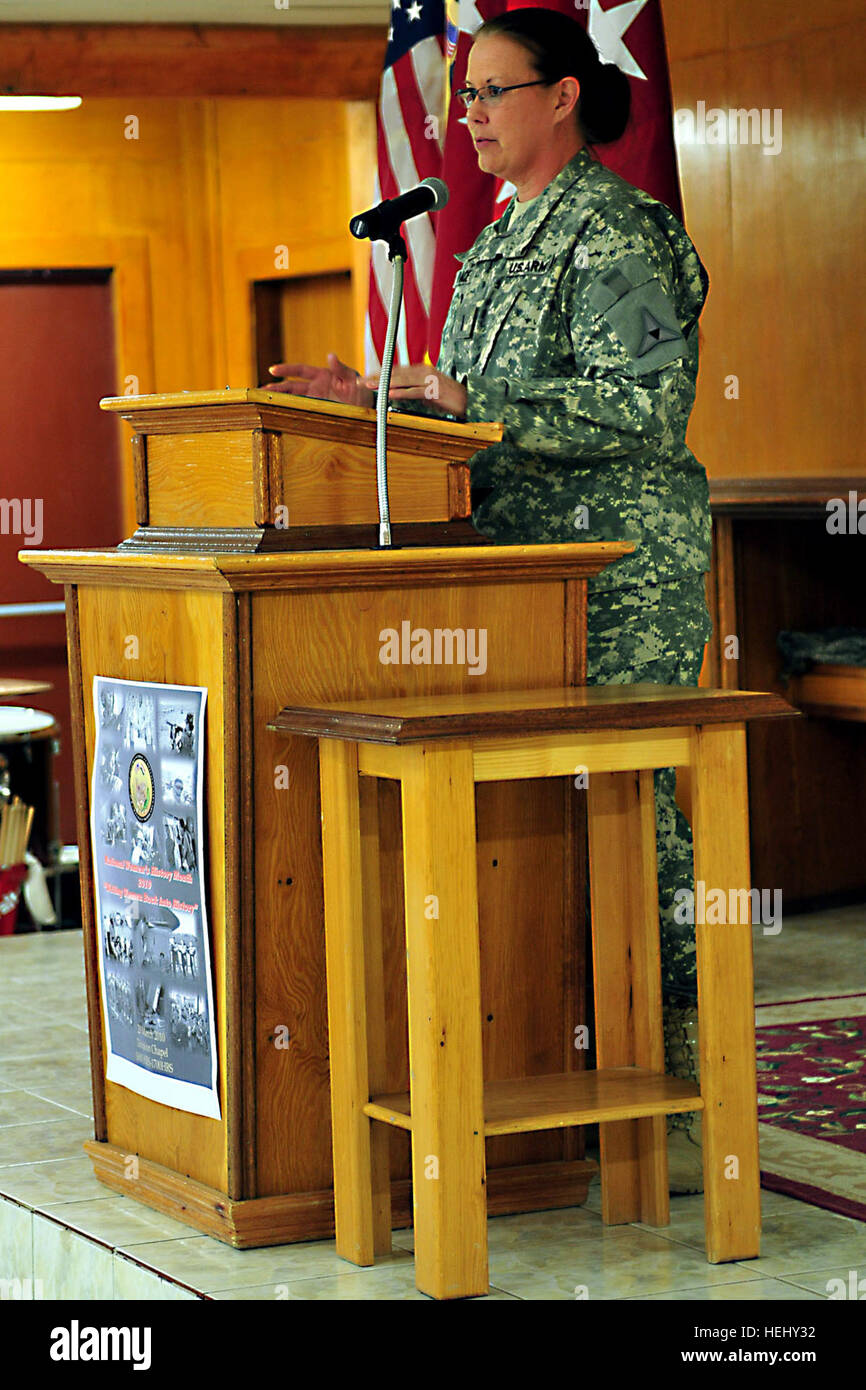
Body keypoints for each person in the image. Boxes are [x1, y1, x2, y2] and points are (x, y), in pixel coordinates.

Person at [266, 7, 711, 1192]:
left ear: (561, 97)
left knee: (636, 824)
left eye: (488, 92)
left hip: (618, 575)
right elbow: (464, 412)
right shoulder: (491, 244)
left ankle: (676, 1097)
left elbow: (645, 406)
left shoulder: (614, 229)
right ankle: (555, 1088)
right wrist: (375, 399)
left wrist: (473, 403)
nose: (462, 115)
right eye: (460, 96)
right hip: (513, 578)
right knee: (532, 829)